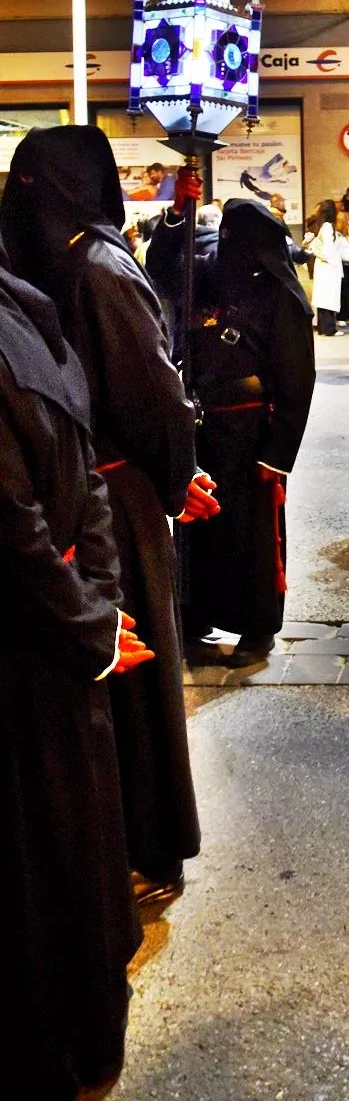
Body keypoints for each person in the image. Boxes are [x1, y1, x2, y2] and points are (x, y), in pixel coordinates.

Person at [0, 124, 206, 903]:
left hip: (115, 499)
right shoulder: (59, 260)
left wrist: (176, 472)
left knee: (133, 668)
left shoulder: (96, 266)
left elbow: (150, 395)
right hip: (93, 491)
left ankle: (150, 844)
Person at [0, 255, 157, 1101]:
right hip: (63, 628)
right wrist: (97, 608)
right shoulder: (28, 305)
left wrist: (89, 617)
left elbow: (16, 525)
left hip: (30, 643)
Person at [148, 185, 316, 663]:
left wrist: (277, 454)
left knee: (254, 538)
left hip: (251, 435)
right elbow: (162, 268)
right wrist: (180, 213)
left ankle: (257, 628)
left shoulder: (280, 295)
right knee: (199, 532)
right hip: (201, 423)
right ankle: (197, 616)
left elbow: (297, 379)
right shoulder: (203, 273)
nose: (226, 245)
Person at [309, 199, 343, 335]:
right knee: (329, 298)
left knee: (322, 299)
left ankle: (323, 328)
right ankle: (330, 329)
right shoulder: (328, 227)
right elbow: (328, 251)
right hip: (329, 266)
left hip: (322, 266)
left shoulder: (321, 226)